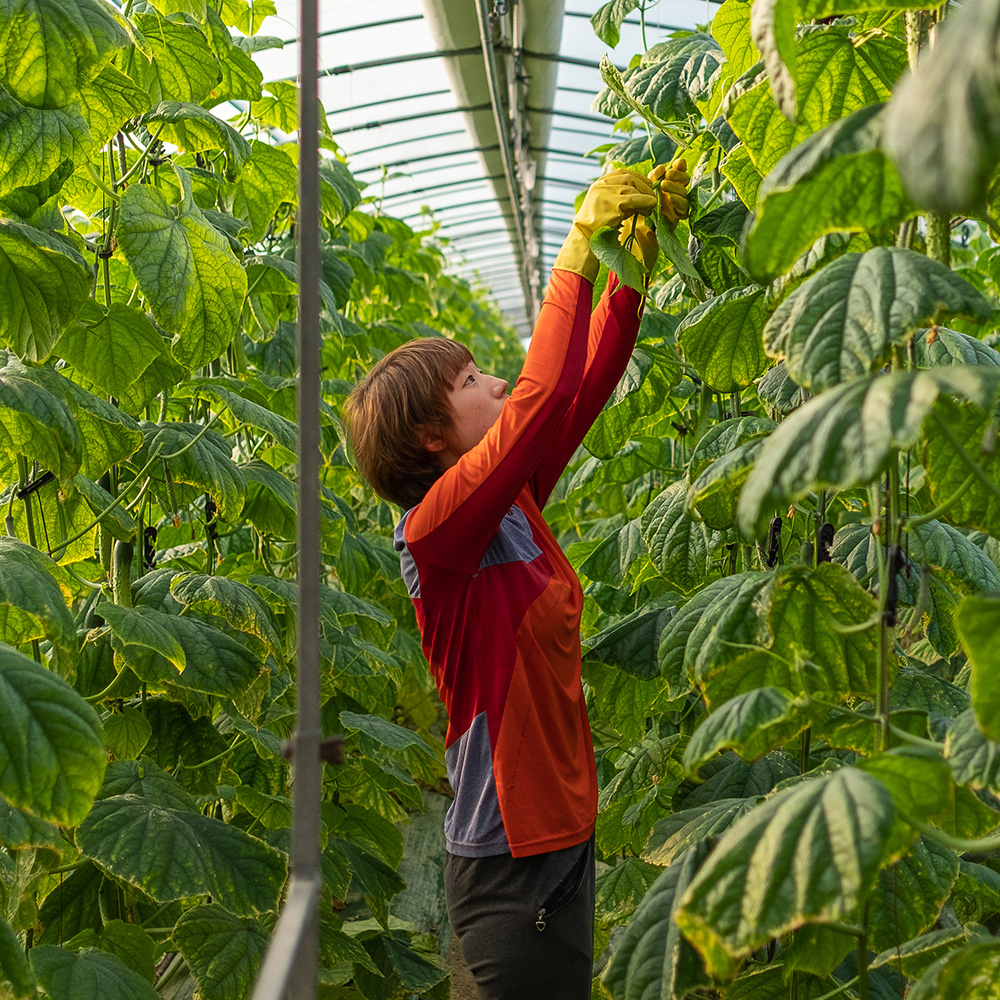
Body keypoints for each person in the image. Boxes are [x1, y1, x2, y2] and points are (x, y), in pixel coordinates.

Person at [344, 159, 690, 999]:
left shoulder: (509, 504)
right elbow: (536, 395)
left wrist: (628, 267)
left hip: (555, 835)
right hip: (507, 860)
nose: (492, 380)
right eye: (469, 382)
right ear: (429, 439)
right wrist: (574, 244)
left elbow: (579, 387)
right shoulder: (437, 533)